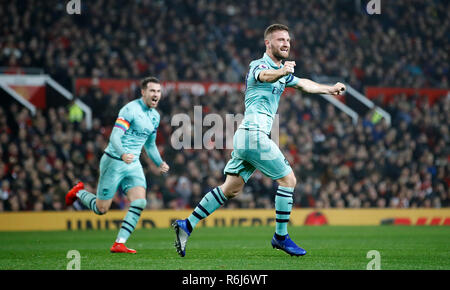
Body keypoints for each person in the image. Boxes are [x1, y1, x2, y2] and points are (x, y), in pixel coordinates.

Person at [172, 24, 345, 257]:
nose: (286, 44)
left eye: (288, 40)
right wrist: (282, 72)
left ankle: (187, 224)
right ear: (268, 43)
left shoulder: (282, 72)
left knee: (230, 189)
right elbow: (264, 76)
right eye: (280, 40)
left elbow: (304, 83)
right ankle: (281, 237)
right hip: (253, 134)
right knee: (288, 180)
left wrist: (329, 89)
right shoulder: (260, 65)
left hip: (248, 136)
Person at [66, 77, 170, 253]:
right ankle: (79, 192)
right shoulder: (130, 109)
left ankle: (119, 243)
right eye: (152, 91)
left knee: (140, 202)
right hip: (114, 161)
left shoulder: (155, 116)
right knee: (101, 209)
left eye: (158, 91)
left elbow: (150, 144)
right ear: (143, 92)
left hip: (134, 163)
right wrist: (123, 153)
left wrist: (160, 162)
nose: (156, 94)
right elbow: (114, 137)